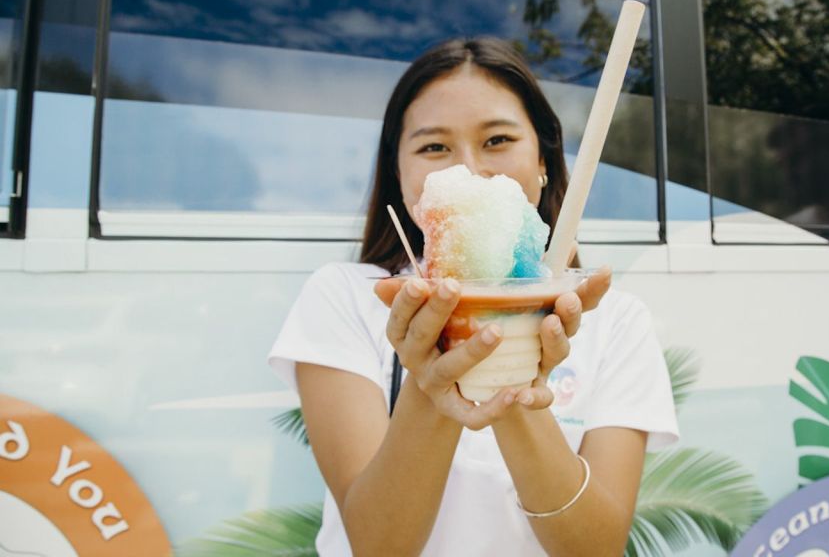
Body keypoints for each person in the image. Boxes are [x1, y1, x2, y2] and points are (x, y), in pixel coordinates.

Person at [268, 38, 678, 556]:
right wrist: (432, 374)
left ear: (544, 160)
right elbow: (379, 546)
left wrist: (513, 362)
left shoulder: (616, 320)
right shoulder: (349, 297)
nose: (469, 170)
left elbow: (593, 549)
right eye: (434, 147)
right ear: (399, 175)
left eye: (498, 140)